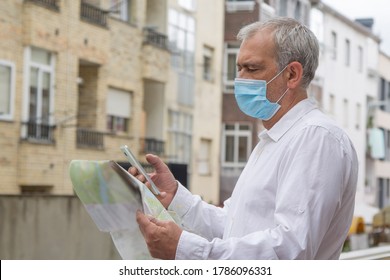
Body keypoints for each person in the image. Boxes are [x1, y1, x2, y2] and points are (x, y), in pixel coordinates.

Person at [131, 17, 358, 260]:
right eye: (238, 68)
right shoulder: (272, 140)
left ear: (292, 74)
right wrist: (175, 195)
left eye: (252, 69)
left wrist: (185, 249)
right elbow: (232, 226)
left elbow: (291, 250)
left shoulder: (316, 138)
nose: (240, 79)